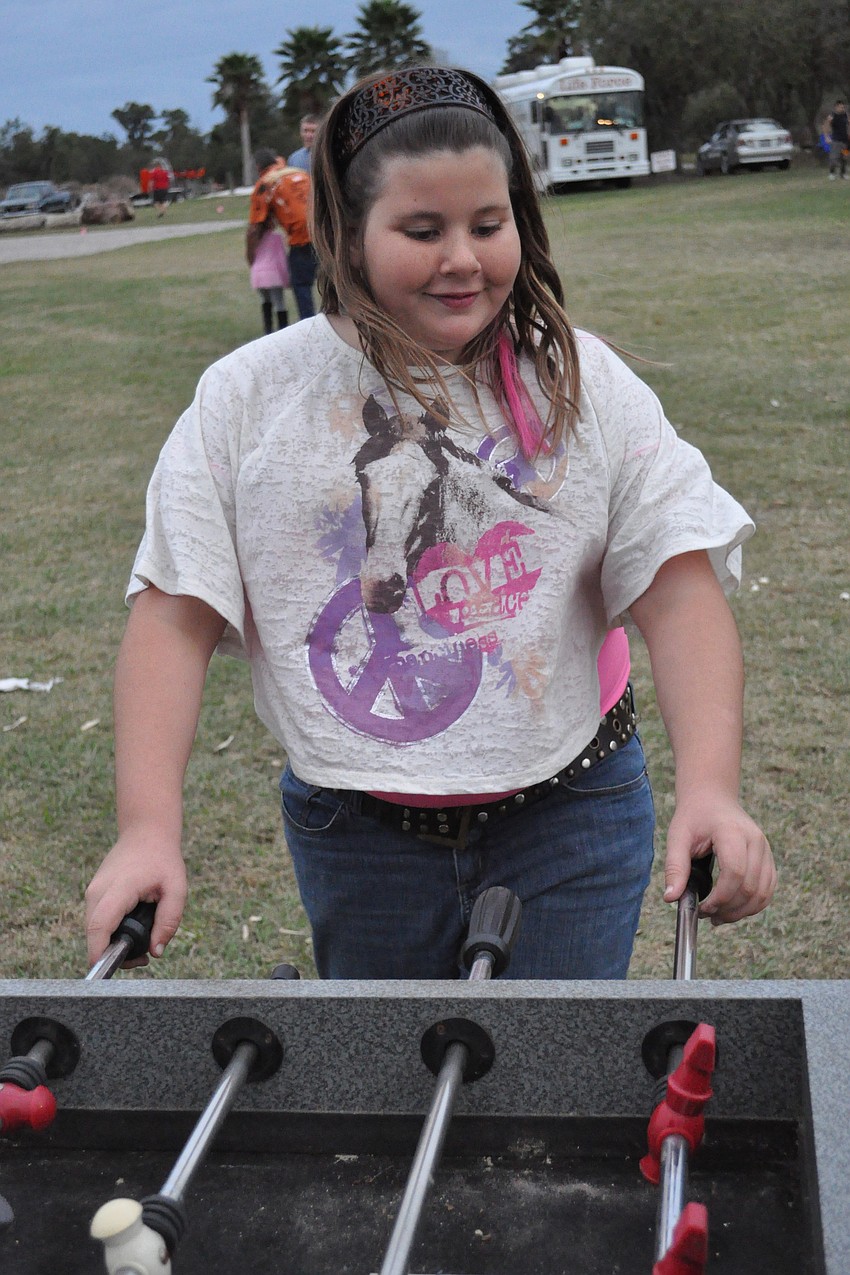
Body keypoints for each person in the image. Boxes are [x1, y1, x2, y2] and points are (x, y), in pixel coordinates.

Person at [84, 66, 775, 980]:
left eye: (489, 226)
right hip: (357, 833)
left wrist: (714, 788)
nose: (464, 258)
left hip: (575, 809)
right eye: (423, 230)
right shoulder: (245, 399)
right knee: (396, 1100)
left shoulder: (584, 383)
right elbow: (173, 616)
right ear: (345, 234)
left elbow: (679, 590)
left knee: (548, 1098)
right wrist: (146, 830)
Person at [247, 147, 315, 320]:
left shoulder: (265, 183)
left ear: (258, 167)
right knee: (334, 284)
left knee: (301, 285)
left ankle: (310, 326)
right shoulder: (301, 173)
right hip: (327, 232)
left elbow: (255, 227)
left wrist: (250, 255)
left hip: (301, 238)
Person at [247, 205, 290, 334]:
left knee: (266, 302)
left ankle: (268, 330)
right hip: (273, 275)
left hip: (258, 275)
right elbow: (281, 260)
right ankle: (283, 331)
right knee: (280, 304)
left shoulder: (253, 237)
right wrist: (286, 278)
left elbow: (250, 257)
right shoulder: (276, 238)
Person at [827, 100, 849, 179]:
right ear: (836, 107)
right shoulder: (832, 116)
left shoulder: (845, 115)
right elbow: (826, 126)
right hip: (836, 141)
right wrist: (827, 137)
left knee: (845, 157)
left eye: (843, 107)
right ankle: (832, 173)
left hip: (845, 141)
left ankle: (843, 174)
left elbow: (848, 125)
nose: (842, 108)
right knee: (833, 158)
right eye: (841, 107)